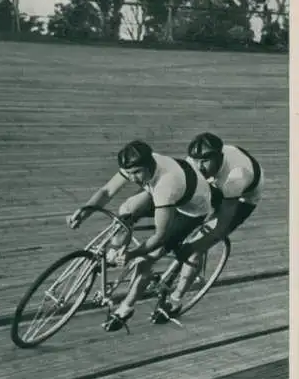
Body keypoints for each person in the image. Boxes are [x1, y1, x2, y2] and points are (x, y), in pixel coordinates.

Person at [67, 140, 215, 331]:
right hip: (173, 188)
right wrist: (84, 211)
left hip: (190, 209)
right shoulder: (138, 165)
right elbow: (107, 191)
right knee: (127, 209)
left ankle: (126, 308)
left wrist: (132, 254)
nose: (132, 178)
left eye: (136, 172)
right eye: (128, 173)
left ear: (149, 165)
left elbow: (159, 237)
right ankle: (116, 252)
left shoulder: (165, 185)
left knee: (146, 259)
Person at [173, 132, 265, 302]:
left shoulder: (236, 176)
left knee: (196, 249)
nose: (199, 167)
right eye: (197, 161)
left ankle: (176, 298)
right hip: (217, 183)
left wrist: (196, 245)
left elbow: (221, 226)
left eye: (205, 161)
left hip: (242, 198)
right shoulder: (192, 162)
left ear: (220, 157)